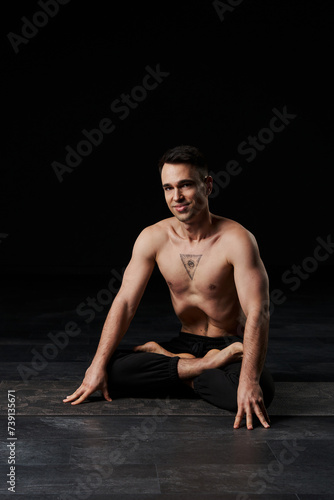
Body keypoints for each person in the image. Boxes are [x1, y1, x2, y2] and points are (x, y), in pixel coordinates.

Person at [63, 145, 275, 430]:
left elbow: (258, 312)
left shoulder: (237, 240)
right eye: (168, 188)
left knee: (255, 393)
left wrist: (249, 381)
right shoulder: (153, 238)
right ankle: (199, 365)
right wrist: (96, 365)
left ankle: (175, 366)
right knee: (107, 371)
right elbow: (125, 302)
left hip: (229, 344)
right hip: (186, 343)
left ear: (207, 185)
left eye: (185, 185)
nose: (177, 197)